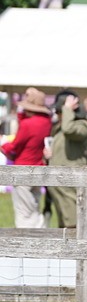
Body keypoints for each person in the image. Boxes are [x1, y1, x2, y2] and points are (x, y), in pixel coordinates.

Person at [2, 88, 52, 228]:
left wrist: (3, 145)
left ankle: (28, 238)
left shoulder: (27, 124)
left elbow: (15, 145)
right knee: (34, 203)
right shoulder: (46, 121)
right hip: (38, 166)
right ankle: (40, 231)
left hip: (23, 169)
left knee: (24, 210)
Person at [43, 90, 87, 229]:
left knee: (74, 226)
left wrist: (67, 108)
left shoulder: (82, 126)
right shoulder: (59, 128)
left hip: (71, 186)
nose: (59, 115)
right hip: (59, 186)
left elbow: (69, 130)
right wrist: (48, 155)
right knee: (63, 227)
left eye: (60, 111)